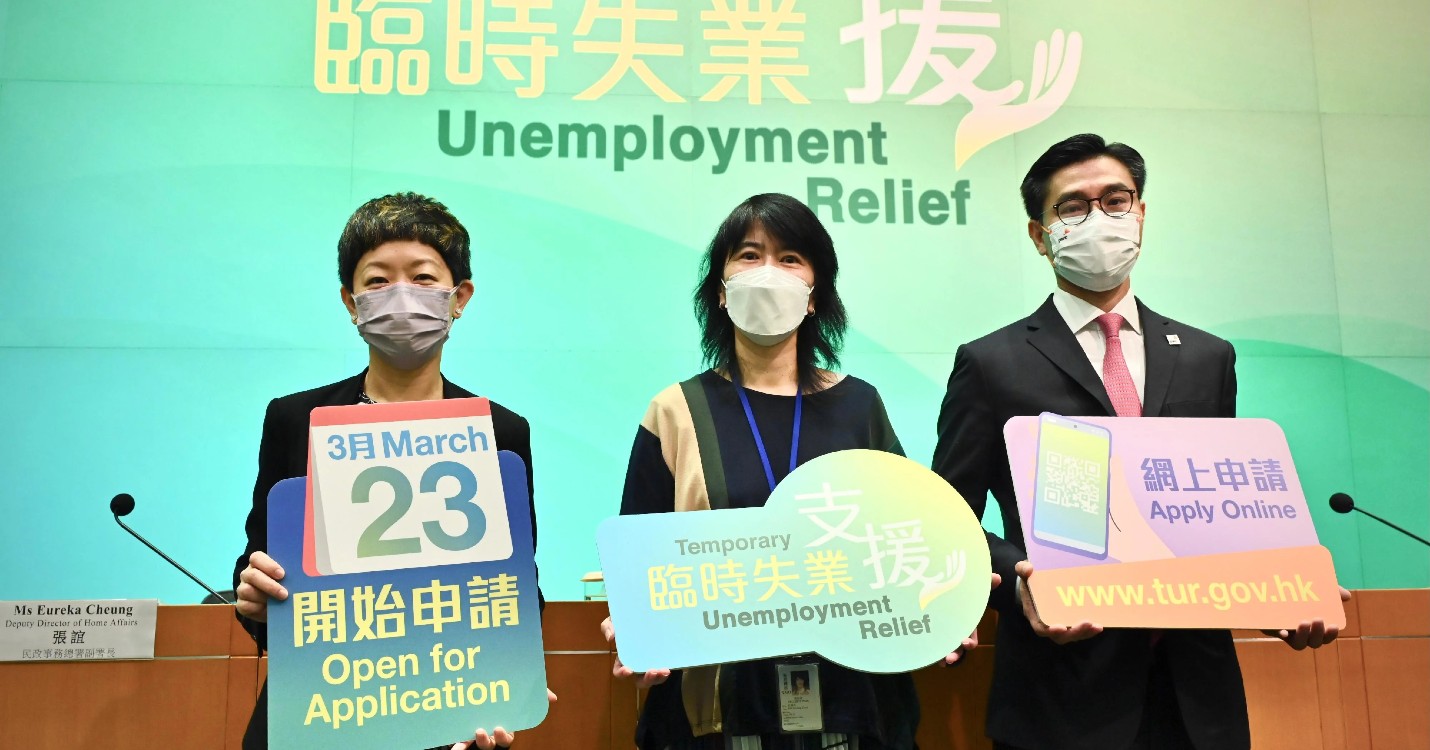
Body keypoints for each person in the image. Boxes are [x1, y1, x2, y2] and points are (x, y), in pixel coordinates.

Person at [932, 133, 1344, 750]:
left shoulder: (1209, 357)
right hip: (1062, 696)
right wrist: (1017, 580)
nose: (1098, 219)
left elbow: (1215, 509)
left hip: (1199, 703)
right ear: (1039, 236)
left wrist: (1284, 586)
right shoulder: (991, 364)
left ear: (1142, 215)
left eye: (1116, 200)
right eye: (1072, 207)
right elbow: (948, 519)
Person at [603, 193, 925, 750]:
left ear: (815, 292)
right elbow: (641, 561)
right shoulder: (675, 412)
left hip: (850, 702)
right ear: (720, 291)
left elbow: (903, 540)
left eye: (791, 258)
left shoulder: (859, 407)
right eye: (749, 255)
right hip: (719, 709)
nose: (769, 273)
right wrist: (635, 623)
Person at [232, 192, 541, 750]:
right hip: (318, 709)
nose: (401, 296)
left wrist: (512, 678)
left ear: (459, 297)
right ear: (351, 303)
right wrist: (252, 595)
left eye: (424, 278)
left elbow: (518, 586)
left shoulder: (500, 432)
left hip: (451, 716)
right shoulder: (296, 420)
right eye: (377, 282)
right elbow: (258, 565)